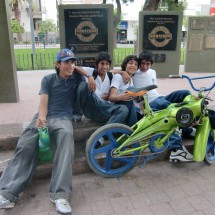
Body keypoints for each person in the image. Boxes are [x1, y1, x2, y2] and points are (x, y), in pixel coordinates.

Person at [0, 49, 94, 214]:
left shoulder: (76, 77)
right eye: (66, 62)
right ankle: (8, 193)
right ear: (57, 64)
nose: (70, 65)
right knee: (25, 144)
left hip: (63, 119)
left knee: (66, 140)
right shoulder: (48, 79)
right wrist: (42, 119)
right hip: (44, 117)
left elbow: (86, 70)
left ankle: (59, 195)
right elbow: (43, 102)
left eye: (73, 62)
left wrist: (89, 76)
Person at [74, 52, 129, 125]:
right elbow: (75, 67)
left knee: (124, 109)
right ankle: (76, 115)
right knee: (83, 85)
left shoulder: (110, 76)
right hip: (92, 106)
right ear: (96, 65)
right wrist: (89, 76)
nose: (104, 66)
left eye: (107, 64)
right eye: (102, 64)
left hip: (104, 108)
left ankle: (105, 132)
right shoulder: (92, 72)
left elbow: (112, 71)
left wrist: (123, 72)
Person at [109, 55, 139, 126]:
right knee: (131, 93)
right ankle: (133, 129)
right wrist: (121, 97)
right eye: (130, 63)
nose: (133, 65)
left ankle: (133, 128)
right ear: (125, 65)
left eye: (136, 64)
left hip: (127, 107)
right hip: (116, 107)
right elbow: (111, 98)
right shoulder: (118, 77)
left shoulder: (131, 80)